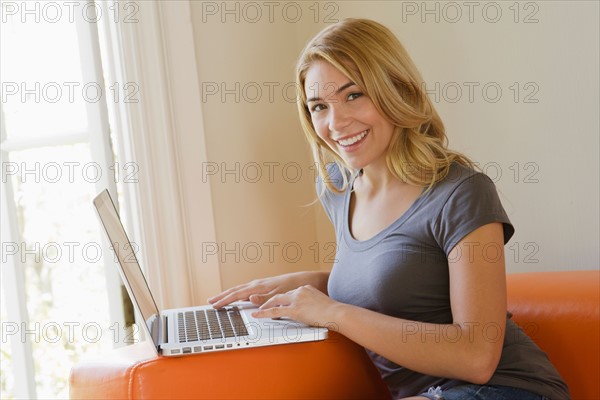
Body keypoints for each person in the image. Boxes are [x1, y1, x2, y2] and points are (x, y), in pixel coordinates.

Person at [208, 18, 570, 400]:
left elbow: (477, 356)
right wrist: (310, 285)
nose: (336, 122)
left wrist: (331, 310)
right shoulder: (337, 188)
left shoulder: (461, 192)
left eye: (354, 95)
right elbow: (401, 278)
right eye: (319, 106)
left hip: (508, 389)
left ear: (396, 88)